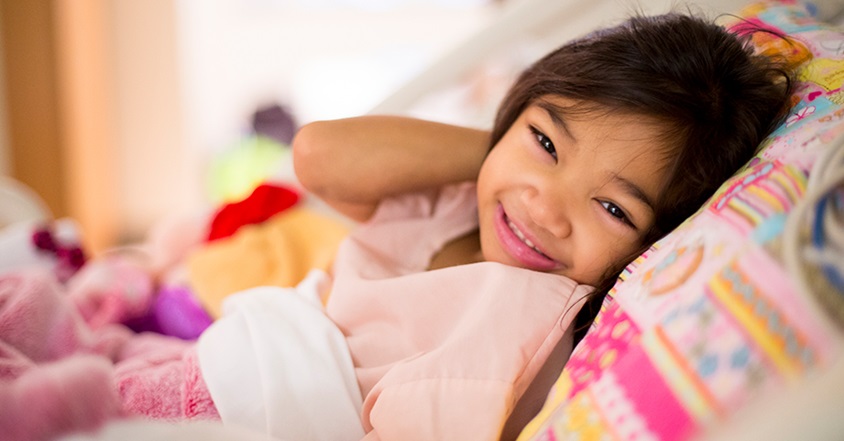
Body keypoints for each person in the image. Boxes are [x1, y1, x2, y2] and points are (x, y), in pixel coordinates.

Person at [0, 11, 793, 441]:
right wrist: (498, 155)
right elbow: (317, 155)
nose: (545, 206)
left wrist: (526, 148)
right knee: (39, 316)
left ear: (650, 247)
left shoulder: (528, 322)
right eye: (547, 141)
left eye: (613, 207)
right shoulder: (453, 201)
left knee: (66, 400)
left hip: (262, 398)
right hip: (232, 344)